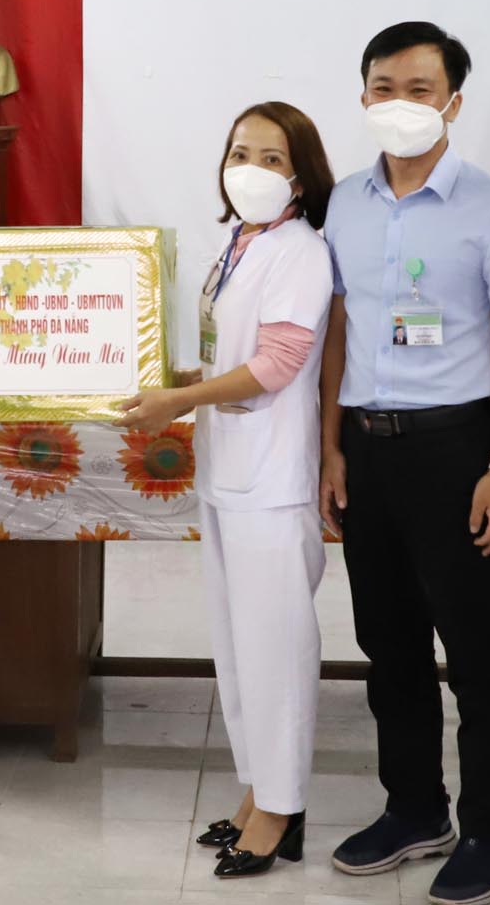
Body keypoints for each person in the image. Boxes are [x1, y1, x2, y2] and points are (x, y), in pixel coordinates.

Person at [319, 21, 490, 904]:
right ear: (364, 95)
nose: (399, 103)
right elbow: (339, 327)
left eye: (419, 88)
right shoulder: (344, 201)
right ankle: (416, 806)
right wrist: (332, 444)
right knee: (389, 642)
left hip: (456, 446)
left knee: (477, 651)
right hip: (368, 448)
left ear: (454, 100)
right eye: (384, 86)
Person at [119, 102, 336, 881]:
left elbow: (278, 364)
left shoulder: (302, 250)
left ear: (301, 177)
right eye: (239, 151)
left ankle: (282, 810)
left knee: (275, 649)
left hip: (273, 480)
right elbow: (230, 351)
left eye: (271, 158)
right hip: (228, 468)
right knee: (238, 647)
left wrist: (181, 402)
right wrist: (185, 381)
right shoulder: (239, 244)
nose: (249, 167)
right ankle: (257, 794)